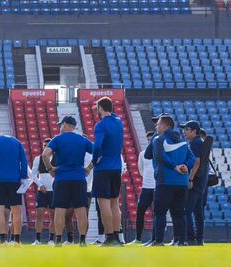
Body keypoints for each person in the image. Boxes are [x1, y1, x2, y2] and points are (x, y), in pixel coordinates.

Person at [144, 114, 195, 246]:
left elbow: (160, 157)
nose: (156, 126)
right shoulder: (183, 141)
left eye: (159, 124)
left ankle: (159, 241)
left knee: (160, 212)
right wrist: (185, 166)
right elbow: (192, 158)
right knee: (179, 212)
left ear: (166, 126)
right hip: (182, 183)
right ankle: (181, 241)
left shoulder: (158, 140)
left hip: (165, 181)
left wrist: (175, 167)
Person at [43, 116, 93, 247]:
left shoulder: (57, 139)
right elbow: (99, 153)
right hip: (79, 178)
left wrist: (50, 169)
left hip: (62, 178)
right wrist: (88, 168)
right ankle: (82, 241)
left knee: (60, 209)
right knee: (81, 210)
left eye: (61, 125)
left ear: (65, 124)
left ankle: (58, 240)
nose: (60, 127)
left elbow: (44, 154)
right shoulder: (82, 139)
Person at [0, 130, 28, 246]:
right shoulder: (16, 142)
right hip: (14, 180)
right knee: (16, 210)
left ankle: (2, 241)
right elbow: (24, 161)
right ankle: (17, 241)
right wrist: (23, 176)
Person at [91, 97, 124, 246]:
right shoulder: (119, 122)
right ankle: (117, 236)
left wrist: (94, 159)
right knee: (115, 204)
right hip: (117, 167)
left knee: (103, 203)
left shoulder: (100, 125)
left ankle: (109, 237)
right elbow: (115, 116)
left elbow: (97, 146)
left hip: (103, 168)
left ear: (101, 108)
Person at [129, 131, 156, 245]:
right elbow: (141, 170)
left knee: (157, 213)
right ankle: (138, 239)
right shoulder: (143, 154)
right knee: (140, 211)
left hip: (157, 187)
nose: (150, 142)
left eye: (152, 140)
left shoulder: (159, 152)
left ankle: (155, 239)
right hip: (146, 187)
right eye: (148, 140)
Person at [182, 121, 206, 246]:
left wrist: (190, 179)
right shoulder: (200, 142)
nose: (184, 132)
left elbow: (197, 161)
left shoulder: (194, 143)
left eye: (187, 129)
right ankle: (199, 239)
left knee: (186, 211)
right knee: (198, 212)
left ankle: (190, 239)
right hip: (201, 182)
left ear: (194, 131)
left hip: (195, 181)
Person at [31, 138, 55, 245]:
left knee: (53, 215)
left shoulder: (57, 158)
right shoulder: (38, 159)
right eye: (44, 145)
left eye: (48, 145)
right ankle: (37, 240)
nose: (46, 147)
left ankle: (51, 240)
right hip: (42, 191)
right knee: (39, 214)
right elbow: (33, 175)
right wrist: (40, 185)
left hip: (54, 191)